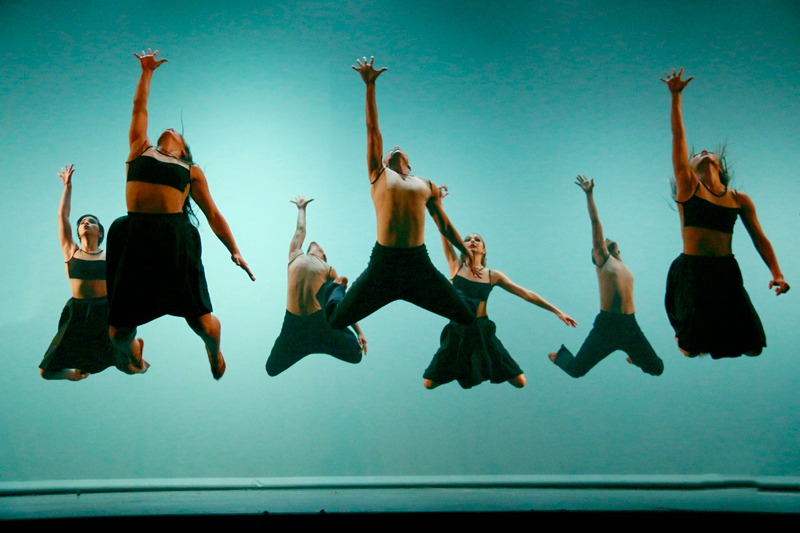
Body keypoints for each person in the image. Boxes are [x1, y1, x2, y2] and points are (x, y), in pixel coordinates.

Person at [106, 49, 255, 380]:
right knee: (117, 333)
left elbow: (213, 214)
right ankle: (133, 354)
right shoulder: (139, 148)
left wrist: (234, 249)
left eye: (179, 134)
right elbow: (139, 108)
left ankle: (213, 350)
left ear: (184, 150)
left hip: (174, 239)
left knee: (202, 324)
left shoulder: (191, 170)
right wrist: (147, 73)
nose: (171, 128)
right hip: (136, 238)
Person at [328, 56, 478, 330]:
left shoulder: (426, 184)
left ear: (410, 162)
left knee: (468, 315)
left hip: (417, 264)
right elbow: (372, 130)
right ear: (385, 161)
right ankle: (336, 288)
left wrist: (463, 250)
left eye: (400, 148)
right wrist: (369, 86)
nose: (395, 146)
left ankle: (431, 294)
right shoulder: (379, 175)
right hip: (383, 264)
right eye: (390, 149)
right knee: (337, 320)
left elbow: (442, 223)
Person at [661, 67, 789, 359]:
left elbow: (760, 239)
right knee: (690, 350)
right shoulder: (689, 188)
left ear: (720, 166)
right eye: (697, 154)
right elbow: (677, 136)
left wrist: (777, 274)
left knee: (750, 346)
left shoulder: (738, 198)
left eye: (709, 151)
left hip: (725, 271)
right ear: (690, 167)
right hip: (692, 270)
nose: (703, 151)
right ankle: (683, 333)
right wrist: (676, 97)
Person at [424, 200, 578, 389]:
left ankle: (483, 367)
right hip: (457, 330)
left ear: (484, 249)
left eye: (477, 240)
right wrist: (438, 205)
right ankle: (460, 368)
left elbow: (526, 294)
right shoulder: (456, 266)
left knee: (520, 382)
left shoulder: (492, 275)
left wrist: (556, 311)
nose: (472, 241)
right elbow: (444, 230)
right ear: (461, 245)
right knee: (429, 383)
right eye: (467, 239)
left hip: (482, 330)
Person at [548, 176, 664, 378]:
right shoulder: (604, 261)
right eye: (598, 247)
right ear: (596, 256)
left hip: (630, 325)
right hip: (607, 326)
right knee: (576, 370)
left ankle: (636, 359)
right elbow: (595, 222)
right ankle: (560, 356)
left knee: (657, 368)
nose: (602, 242)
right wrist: (589, 194)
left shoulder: (623, 265)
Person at [40, 164, 147, 381]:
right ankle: (71, 375)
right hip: (78, 312)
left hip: (105, 310)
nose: (86, 223)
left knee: (124, 365)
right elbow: (63, 216)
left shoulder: (110, 256)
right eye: (82, 222)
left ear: (100, 233)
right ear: (78, 232)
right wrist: (67, 187)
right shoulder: (71, 252)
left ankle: (140, 361)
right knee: (46, 372)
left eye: (92, 222)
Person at [266, 195, 367, 376]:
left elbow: (342, 305)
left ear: (324, 255)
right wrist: (301, 209)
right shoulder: (295, 255)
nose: (315, 244)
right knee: (271, 368)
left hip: (318, 320)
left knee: (355, 354)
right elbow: (300, 230)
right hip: (293, 323)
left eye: (320, 247)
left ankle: (322, 340)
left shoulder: (328, 269)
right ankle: (311, 344)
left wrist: (359, 332)